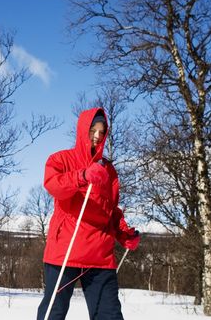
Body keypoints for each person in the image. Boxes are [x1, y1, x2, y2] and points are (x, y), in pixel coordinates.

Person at [36, 107, 140, 320]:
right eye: (93, 130)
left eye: (102, 132)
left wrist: (124, 234)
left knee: (109, 315)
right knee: (53, 313)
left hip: (99, 255)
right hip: (66, 249)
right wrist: (82, 176)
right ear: (83, 130)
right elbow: (53, 185)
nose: (97, 136)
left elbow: (111, 210)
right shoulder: (61, 160)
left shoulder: (108, 170)